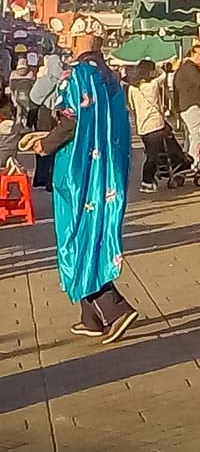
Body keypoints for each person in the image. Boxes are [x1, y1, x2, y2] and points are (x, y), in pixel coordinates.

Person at [32, 19, 138, 344]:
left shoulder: (76, 74)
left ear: (82, 38)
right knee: (91, 231)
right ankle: (90, 317)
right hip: (105, 171)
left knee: (75, 234)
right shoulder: (111, 77)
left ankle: (114, 307)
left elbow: (68, 121)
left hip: (78, 171)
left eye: (71, 35)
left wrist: (44, 143)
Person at [127, 59, 190, 192]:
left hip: (142, 126)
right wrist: (159, 67)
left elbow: (132, 107)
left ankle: (155, 175)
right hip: (156, 124)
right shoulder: (152, 86)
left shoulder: (132, 89)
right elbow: (163, 76)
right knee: (153, 155)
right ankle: (147, 180)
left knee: (151, 151)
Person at [29, 53, 64, 191]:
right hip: (59, 116)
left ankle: (41, 178)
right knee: (54, 148)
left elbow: (34, 96)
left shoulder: (46, 79)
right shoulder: (64, 79)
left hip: (44, 115)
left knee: (42, 145)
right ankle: (50, 179)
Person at [174, 45, 200, 171]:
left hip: (186, 106)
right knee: (197, 135)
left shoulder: (186, 68)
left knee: (191, 135)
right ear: (192, 54)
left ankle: (188, 161)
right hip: (191, 106)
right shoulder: (189, 68)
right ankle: (193, 162)